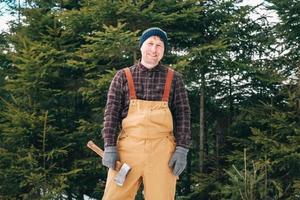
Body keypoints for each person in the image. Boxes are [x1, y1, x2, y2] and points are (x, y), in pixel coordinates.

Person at [101, 27, 191, 200]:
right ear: (141, 46)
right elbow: (111, 114)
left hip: (162, 153)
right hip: (128, 152)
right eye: (150, 43)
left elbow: (183, 116)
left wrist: (182, 149)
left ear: (164, 50)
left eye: (159, 45)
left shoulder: (174, 78)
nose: (154, 49)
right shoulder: (122, 77)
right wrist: (109, 146)